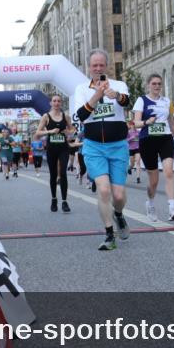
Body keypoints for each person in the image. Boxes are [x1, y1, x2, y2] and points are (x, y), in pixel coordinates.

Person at [74, 49, 132, 250]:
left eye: (101, 65)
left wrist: (115, 95)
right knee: (104, 190)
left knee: (118, 195)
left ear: (106, 66)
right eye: (94, 65)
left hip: (117, 146)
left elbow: (128, 102)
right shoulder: (81, 89)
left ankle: (118, 214)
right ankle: (109, 235)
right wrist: (96, 96)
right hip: (94, 146)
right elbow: (79, 116)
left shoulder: (118, 85)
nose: (98, 68)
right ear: (89, 67)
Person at [133, 74, 174, 222]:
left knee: (169, 172)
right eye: (154, 84)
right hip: (148, 140)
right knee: (154, 180)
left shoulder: (167, 101)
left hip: (165, 139)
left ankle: (172, 209)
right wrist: (146, 122)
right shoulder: (141, 100)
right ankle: (150, 203)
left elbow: (171, 124)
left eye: (159, 84)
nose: (157, 86)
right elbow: (135, 123)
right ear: (148, 85)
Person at [34, 95, 77, 213]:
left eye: (58, 101)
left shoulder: (65, 116)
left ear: (61, 103)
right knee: (53, 174)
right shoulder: (46, 117)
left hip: (63, 148)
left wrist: (67, 131)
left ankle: (64, 201)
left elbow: (73, 130)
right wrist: (50, 131)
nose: (57, 103)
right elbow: (38, 132)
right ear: (51, 103)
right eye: (54, 101)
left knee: (63, 173)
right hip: (51, 149)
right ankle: (54, 199)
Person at [126, 117, 142, 183]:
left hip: (138, 149)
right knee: (132, 164)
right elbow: (126, 141)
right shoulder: (128, 133)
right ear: (130, 125)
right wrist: (132, 138)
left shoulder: (138, 132)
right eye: (131, 124)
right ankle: (130, 168)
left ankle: (138, 178)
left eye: (134, 124)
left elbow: (141, 139)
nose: (133, 126)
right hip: (131, 149)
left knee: (138, 162)